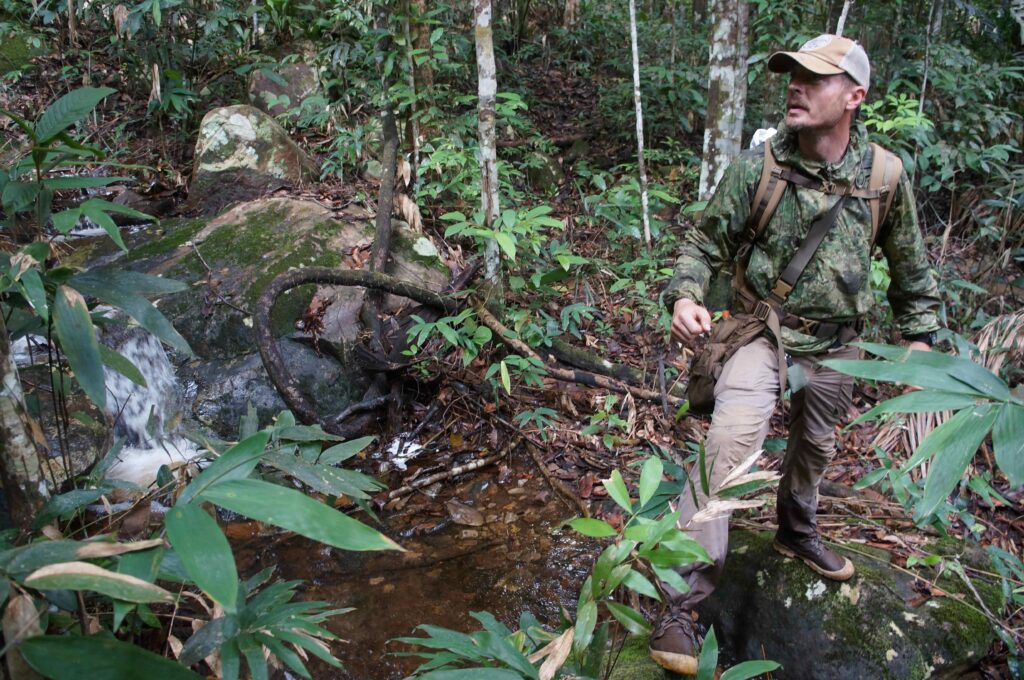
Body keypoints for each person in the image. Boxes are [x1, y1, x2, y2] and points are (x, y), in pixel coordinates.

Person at [651, 34, 942, 674]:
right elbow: (703, 244)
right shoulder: (759, 167)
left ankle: (796, 527)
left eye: (814, 77)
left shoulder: (884, 177)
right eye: (792, 74)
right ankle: (680, 601)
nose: (795, 85)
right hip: (763, 330)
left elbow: (912, 271)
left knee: (816, 445)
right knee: (733, 442)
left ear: (854, 97)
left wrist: (921, 342)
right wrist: (684, 295)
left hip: (839, 341)